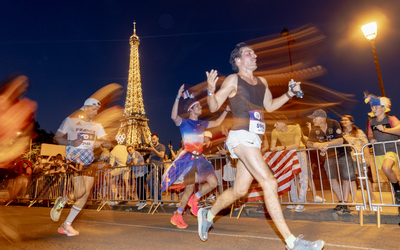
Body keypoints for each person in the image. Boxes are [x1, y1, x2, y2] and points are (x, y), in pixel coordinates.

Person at [199, 42, 324, 249]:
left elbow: (269, 106)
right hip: (240, 136)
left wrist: (289, 94)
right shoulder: (233, 79)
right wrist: (211, 90)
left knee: (240, 190)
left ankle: (208, 214)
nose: (254, 55)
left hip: (254, 139)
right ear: (238, 60)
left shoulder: (262, 81)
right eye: (249, 53)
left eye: (254, 53)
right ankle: (293, 243)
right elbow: (213, 106)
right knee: (269, 182)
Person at [163, 84, 229, 229]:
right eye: (197, 106)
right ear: (190, 109)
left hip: (200, 159)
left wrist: (226, 111)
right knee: (188, 189)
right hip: (188, 160)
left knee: (213, 183)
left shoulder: (202, 123)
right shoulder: (184, 122)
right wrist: (177, 97)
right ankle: (177, 215)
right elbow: (173, 116)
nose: (200, 107)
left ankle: (195, 198)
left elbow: (217, 122)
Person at [51, 97, 108, 236]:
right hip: (74, 159)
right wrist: (70, 142)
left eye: (97, 110)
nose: (95, 112)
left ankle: (66, 225)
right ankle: (62, 200)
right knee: (80, 191)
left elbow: (107, 142)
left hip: (89, 161)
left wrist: (105, 144)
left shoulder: (97, 126)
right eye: (93, 109)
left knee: (85, 194)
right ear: (86, 107)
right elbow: (56, 138)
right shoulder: (70, 121)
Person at [307, 109, 355, 214]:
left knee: (346, 177)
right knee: (332, 178)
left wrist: (324, 144)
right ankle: (341, 201)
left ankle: (345, 202)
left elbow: (339, 141)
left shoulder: (333, 123)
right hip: (329, 155)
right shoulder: (314, 128)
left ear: (322, 118)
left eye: (315, 118)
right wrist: (317, 145)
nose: (313, 120)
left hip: (343, 152)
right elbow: (309, 143)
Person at [365, 95, 400, 204]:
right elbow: (370, 134)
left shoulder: (391, 119)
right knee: (388, 171)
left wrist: (385, 130)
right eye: (372, 107)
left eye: (376, 107)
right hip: (379, 151)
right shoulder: (370, 121)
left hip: (391, 149)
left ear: (384, 108)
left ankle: (397, 188)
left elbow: (399, 130)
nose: (373, 109)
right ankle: (397, 193)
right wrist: (371, 139)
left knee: (386, 167)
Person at [270, 115, 308, 212]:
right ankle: (294, 201)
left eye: (277, 123)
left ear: (284, 123)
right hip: (288, 154)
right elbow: (272, 147)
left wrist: (283, 147)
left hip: (299, 152)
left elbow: (297, 145)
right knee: (290, 178)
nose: (275, 125)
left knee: (303, 178)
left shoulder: (295, 128)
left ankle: (301, 203)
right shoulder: (275, 132)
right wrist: (278, 148)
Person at [341, 115, 377, 202]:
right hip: (348, 158)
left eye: (346, 120)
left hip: (359, 157)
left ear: (351, 122)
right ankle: (354, 199)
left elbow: (366, 145)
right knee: (351, 178)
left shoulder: (358, 132)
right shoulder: (342, 134)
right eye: (342, 120)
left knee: (363, 177)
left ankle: (371, 196)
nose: (343, 121)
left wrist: (367, 157)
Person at [146, 134, 166, 204]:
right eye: (152, 140)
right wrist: (148, 160)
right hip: (152, 167)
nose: (153, 141)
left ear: (158, 138)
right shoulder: (152, 148)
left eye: (154, 139)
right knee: (156, 183)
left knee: (148, 179)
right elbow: (151, 157)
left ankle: (153, 195)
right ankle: (160, 200)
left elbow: (161, 155)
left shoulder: (161, 146)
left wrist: (154, 150)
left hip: (157, 167)